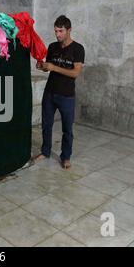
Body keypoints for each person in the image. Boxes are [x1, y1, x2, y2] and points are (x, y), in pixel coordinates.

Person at [33, 15, 85, 169]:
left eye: (61, 31)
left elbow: (75, 73)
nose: (58, 34)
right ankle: (45, 151)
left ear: (69, 30)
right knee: (46, 125)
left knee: (67, 129)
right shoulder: (52, 47)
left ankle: (66, 156)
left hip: (67, 96)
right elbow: (48, 68)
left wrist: (54, 67)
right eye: (56, 31)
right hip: (50, 92)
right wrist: (41, 66)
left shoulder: (78, 49)